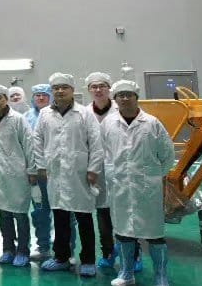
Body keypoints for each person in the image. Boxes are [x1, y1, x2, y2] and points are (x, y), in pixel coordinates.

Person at [101, 80, 175, 286]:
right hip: (120, 186)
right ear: (115, 99)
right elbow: (104, 152)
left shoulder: (152, 123)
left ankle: (160, 276)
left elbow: (167, 155)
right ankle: (126, 273)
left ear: (136, 97)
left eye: (129, 94)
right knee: (124, 232)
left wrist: (152, 175)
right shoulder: (108, 123)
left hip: (147, 188)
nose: (125, 98)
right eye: (120, 95)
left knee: (155, 234)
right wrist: (112, 173)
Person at [36, 73, 103, 277]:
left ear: (72, 90)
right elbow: (37, 140)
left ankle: (88, 260)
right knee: (60, 217)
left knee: (84, 218)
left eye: (64, 87)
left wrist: (93, 169)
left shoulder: (84, 113)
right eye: (56, 88)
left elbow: (96, 143)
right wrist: (41, 166)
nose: (60, 91)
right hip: (55, 174)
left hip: (79, 173)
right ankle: (61, 258)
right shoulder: (45, 114)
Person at [0, 85, 36, 268]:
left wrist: (32, 170)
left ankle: (23, 250)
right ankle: (7, 249)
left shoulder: (18, 120)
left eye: (0, 97)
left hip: (18, 173)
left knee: (20, 214)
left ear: (6, 99)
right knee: (4, 213)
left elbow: (29, 145)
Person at [85, 72, 118, 269]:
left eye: (102, 86)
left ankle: (135, 254)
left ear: (109, 88)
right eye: (94, 87)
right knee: (102, 213)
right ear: (89, 90)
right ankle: (108, 252)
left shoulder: (119, 110)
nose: (98, 90)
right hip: (95, 170)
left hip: (120, 168)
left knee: (125, 213)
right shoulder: (84, 112)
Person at [26, 83, 53, 261]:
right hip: (36, 173)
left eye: (44, 95)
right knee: (40, 212)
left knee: (66, 212)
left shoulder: (56, 116)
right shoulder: (25, 118)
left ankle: (65, 249)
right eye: (37, 95)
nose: (41, 98)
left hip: (59, 172)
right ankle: (43, 246)